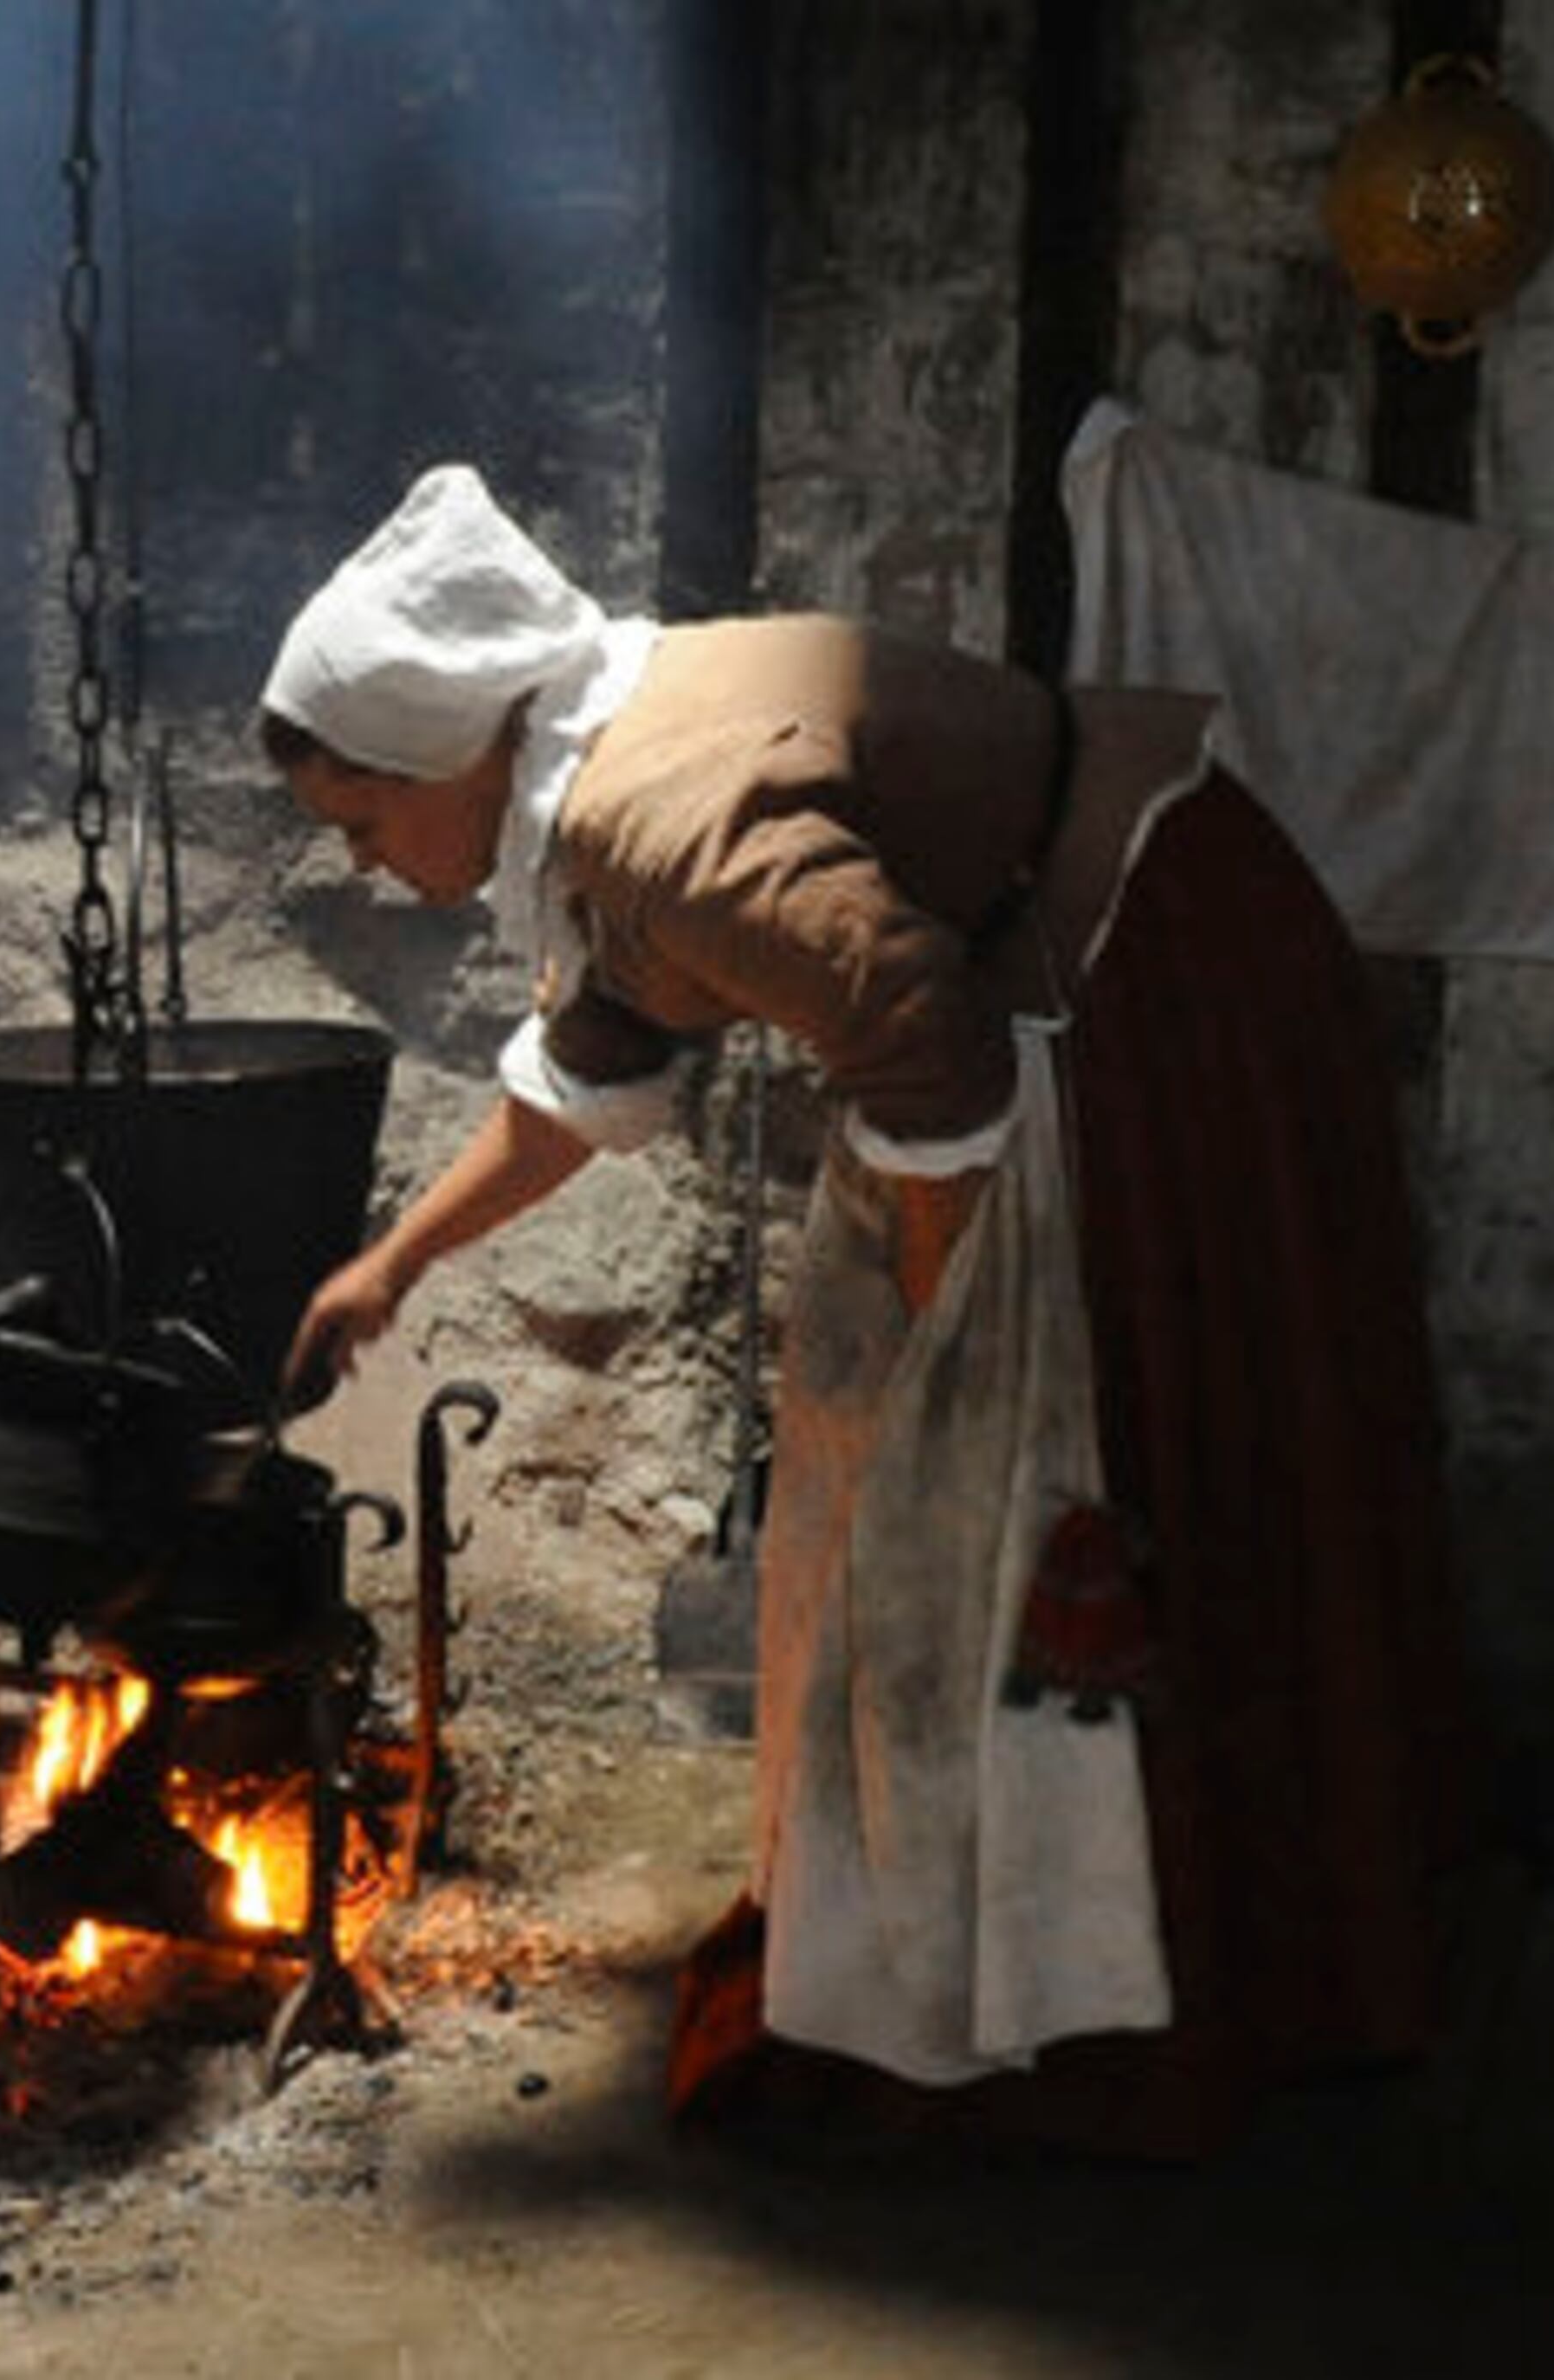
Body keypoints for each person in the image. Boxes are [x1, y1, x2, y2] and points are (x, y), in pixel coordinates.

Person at [264, 463, 1467, 2157]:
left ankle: (1111, 1992)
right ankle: (971, 1941)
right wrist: (395, 1263)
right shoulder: (602, 777)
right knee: (904, 1487)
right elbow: (601, 1059)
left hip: (1145, 969)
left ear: (452, 747)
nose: (374, 868)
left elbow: (926, 1041)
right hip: (1043, 983)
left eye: (363, 823)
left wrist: (948, 1342)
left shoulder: (651, 817)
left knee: (1010, 1515)